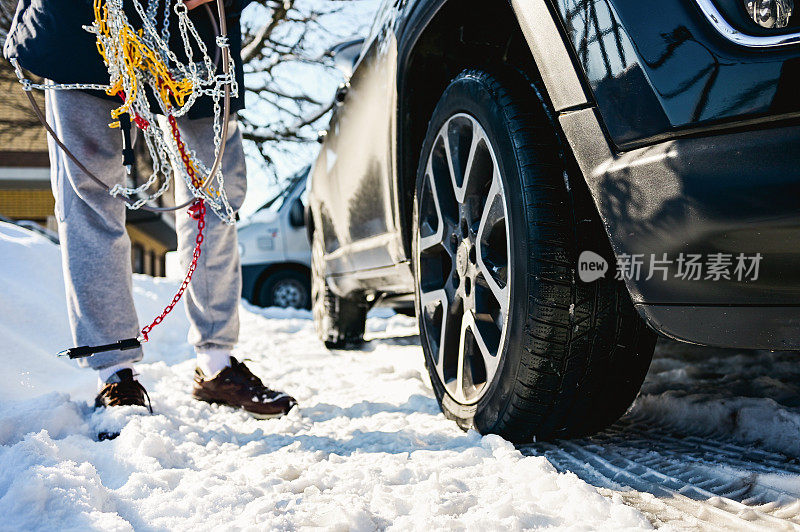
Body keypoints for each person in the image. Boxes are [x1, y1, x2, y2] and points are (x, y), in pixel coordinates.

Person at [4, 0, 297, 419]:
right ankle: (114, 374)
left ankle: (216, 365)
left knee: (215, 192)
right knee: (88, 191)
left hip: (193, 32)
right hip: (80, 23)